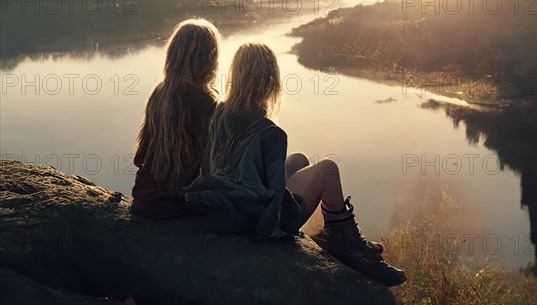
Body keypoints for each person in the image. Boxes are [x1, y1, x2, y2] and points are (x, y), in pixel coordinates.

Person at [186, 42, 407, 287]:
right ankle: (344, 241)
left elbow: (209, 169)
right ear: (271, 81)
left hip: (229, 210)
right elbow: (274, 200)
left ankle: (342, 233)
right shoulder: (272, 134)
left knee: (299, 159)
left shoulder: (218, 114)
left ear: (236, 75)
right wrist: (277, 231)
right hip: (259, 223)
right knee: (328, 169)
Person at [131, 18, 221, 221]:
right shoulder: (207, 103)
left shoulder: (159, 92)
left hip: (145, 197)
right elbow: (212, 165)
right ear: (209, 59)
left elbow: (143, 152)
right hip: (174, 202)